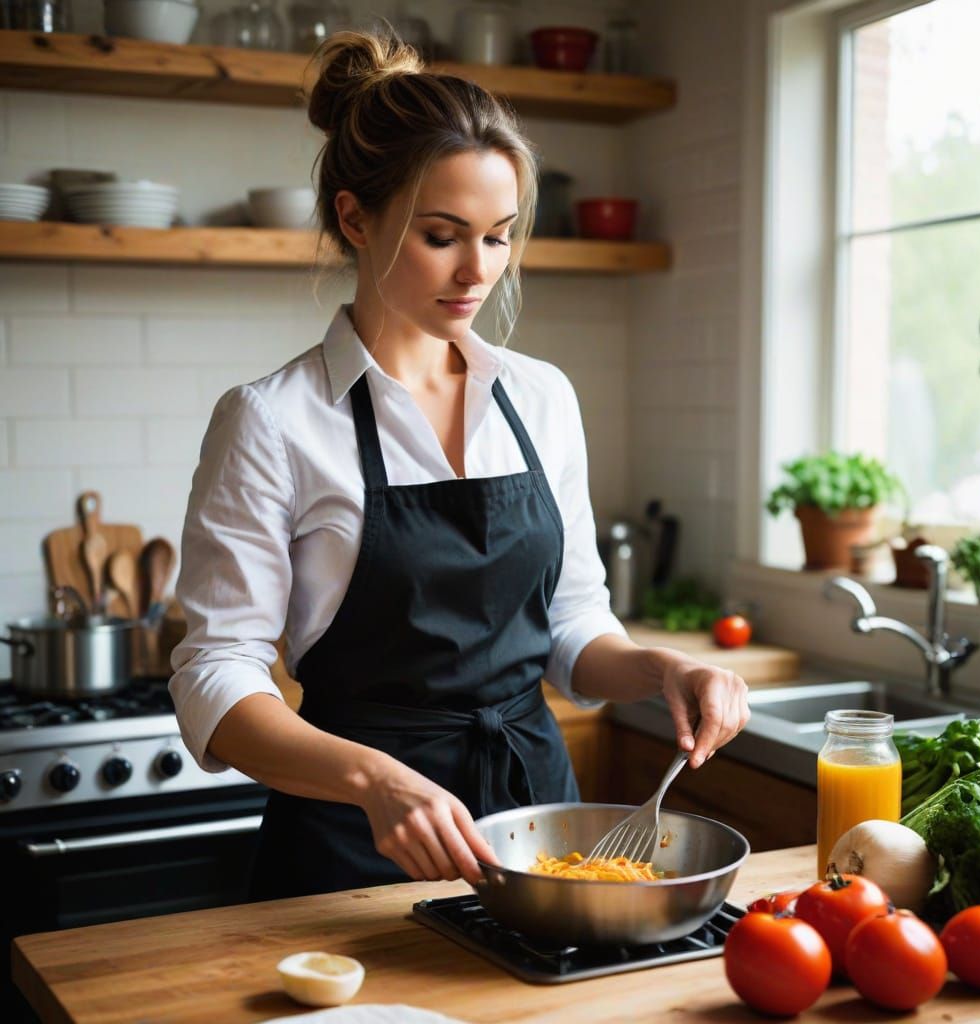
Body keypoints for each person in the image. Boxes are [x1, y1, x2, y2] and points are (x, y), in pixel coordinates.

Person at [169, 30, 750, 901]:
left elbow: (570, 627)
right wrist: (375, 781)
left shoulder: (541, 397)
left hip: (540, 839)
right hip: (353, 848)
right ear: (355, 217)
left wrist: (663, 670)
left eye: (500, 236)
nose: (478, 270)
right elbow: (215, 674)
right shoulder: (272, 421)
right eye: (442, 235)